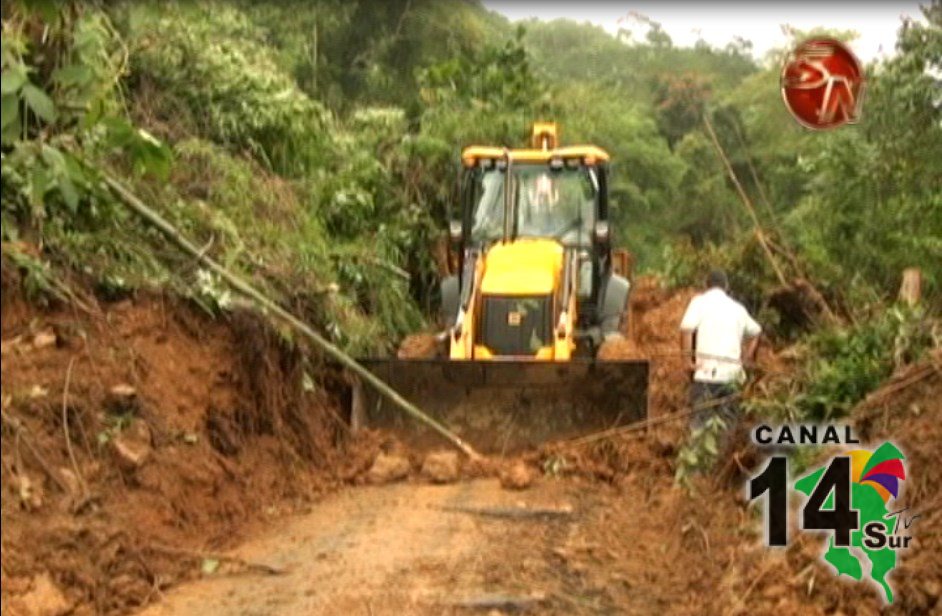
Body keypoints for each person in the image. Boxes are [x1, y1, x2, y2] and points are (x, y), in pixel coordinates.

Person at [679, 269, 761, 438]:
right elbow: (756, 332)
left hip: (706, 375)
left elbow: (686, 329)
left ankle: (698, 461)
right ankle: (722, 460)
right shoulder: (737, 308)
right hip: (732, 377)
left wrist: (687, 361)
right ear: (726, 286)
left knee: (699, 428)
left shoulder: (699, 302)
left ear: (706, 285)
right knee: (728, 426)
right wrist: (746, 359)